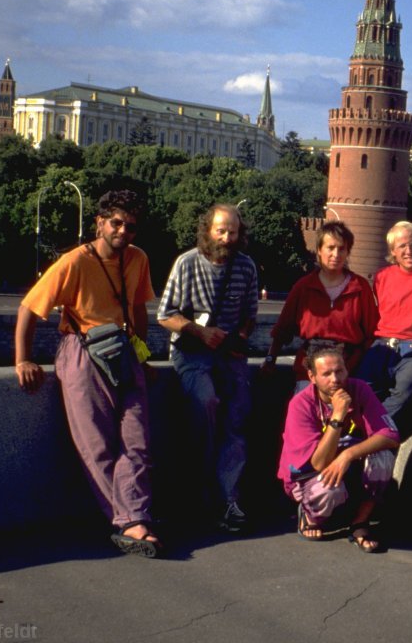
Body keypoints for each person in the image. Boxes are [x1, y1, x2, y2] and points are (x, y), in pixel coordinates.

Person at [15, 190, 162, 557]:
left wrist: (143, 357)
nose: (123, 232)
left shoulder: (138, 259)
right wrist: (23, 360)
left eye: (130, 226)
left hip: (124, 354)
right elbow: (29, 310)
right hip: (82, 353)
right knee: (96, 445)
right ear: (99, 222)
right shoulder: (75, 261)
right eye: (116, 223)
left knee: (137, 441)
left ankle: (131, 516)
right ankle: (130, 520)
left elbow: (139, 311)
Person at [157, 204, 259, 533]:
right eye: (221, 231)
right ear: (207, 230)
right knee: (206, 403)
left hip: (229, 354)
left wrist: (237, 337)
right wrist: (201, 332)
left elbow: (250, 315)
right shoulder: (186, 263)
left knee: (237, 419)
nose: (227, 238)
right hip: (192, 352)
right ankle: (198, 489)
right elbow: (164, 314)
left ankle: (228, 497)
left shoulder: (245, 266)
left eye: (232, 232)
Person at [278, 346, 400, 552]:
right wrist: (338, 415)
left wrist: (348, 454)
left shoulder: (360, 389)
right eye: (326, 374)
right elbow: (319, 463)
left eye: (339, 371)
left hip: (347, 467)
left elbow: (390, 435)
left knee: (383, 458)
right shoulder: (301, 404)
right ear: (312, 377)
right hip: (309, 475)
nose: (335, 379)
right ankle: (310, 517)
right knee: (328, 489)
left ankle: (360, 523)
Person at [355, 221, 412, 438]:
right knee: (360, 388)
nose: (409, 251)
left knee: (406, 389)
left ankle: (369, 434)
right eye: (402, 246)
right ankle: (367, 430)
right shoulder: (382, 277)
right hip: (381, 345)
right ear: (393, 252)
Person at [263, 222, 378, 392]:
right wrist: (271, 358)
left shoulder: (359, 288)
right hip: (310, 367)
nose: (336, 254)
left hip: (348, 368)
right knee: (306, 412)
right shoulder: (304, 287)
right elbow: (283, 329)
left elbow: (372, 333)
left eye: (342, 249)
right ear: (319, 250)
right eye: (330, 248)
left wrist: (357, 366)